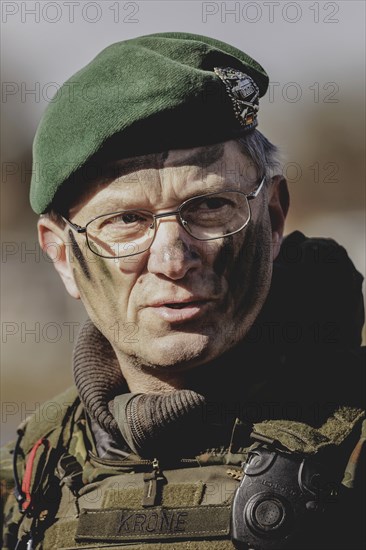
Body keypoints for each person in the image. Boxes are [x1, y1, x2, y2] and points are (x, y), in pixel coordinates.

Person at [1, 32, 365, 550]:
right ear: (62, 255)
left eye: (211, 207)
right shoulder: (34, 471)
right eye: (127, 220)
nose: (173, 260)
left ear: (275, 217)